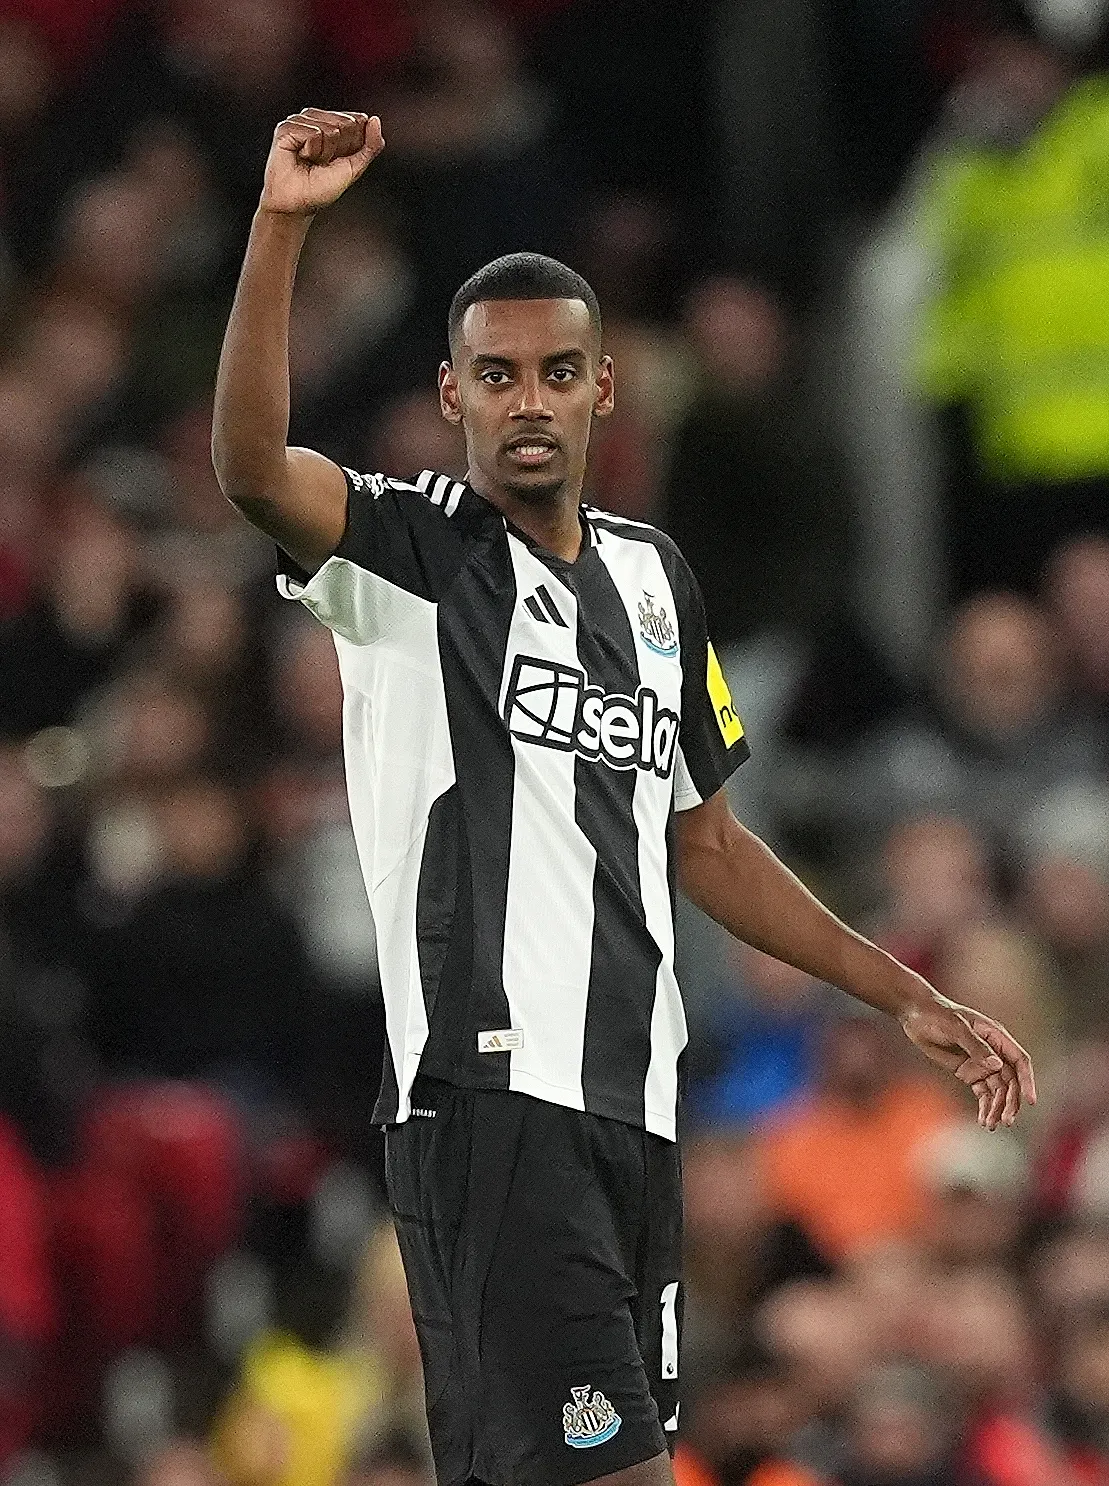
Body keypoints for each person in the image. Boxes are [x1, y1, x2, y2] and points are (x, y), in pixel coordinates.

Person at [211, 108, 1037, 1486]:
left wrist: (899, 989)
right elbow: (251, 469)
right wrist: (283, 225)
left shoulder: (657, 582)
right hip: (492, 1101)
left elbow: (706, 836)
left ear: (607, 391)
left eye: (556, 371)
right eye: (496, 375)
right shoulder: (411, 552)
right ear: (453, 389)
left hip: (630, 1102)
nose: (525, 398)